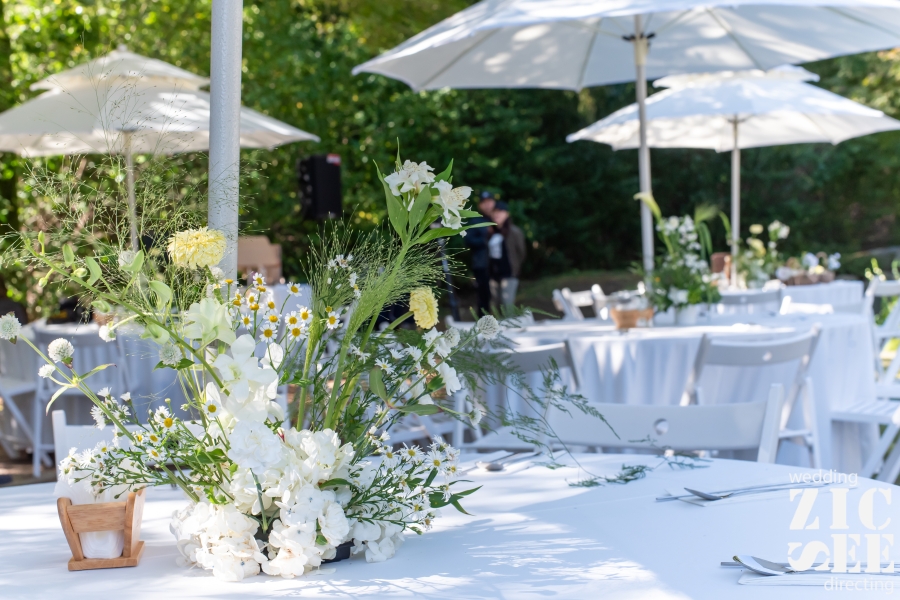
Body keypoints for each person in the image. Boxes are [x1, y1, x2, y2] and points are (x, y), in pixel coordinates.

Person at [488, 201, 526, 309]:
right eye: (494, 212)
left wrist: (516, 267)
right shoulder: (490, 232)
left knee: (507, 306)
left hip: (509, 274)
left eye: (500, 211)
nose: (497, 214)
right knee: (496, 306)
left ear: (507, 214)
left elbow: (521, 252)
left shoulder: (514, 231)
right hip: (493, 275)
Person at [464, 191, 496, 316]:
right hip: (482, 264)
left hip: (498, 264)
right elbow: (468, 240)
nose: (487, 205)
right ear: (480, 205)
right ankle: (483, 320)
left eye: (489, 202)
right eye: (484, 203)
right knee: (483, 295)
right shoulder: (475, 221)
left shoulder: (498, 217)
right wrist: (486, 239)